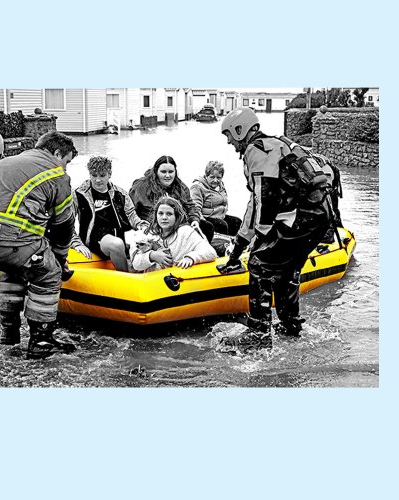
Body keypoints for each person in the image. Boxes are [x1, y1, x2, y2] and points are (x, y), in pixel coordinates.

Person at [217, 108, 331, 353]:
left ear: (241, 130)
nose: (229, 141)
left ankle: (258, 333)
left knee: (259, 264)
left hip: (301, 218)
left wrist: (260, 238)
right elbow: (255, 202)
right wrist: (237, 249)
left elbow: (264, 199)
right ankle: (291, 326)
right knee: (286, 268)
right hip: (318, 216)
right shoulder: (275, 144)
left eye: (229, 135)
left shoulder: (257, 150)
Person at [0, 131, 78, 359]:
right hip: (8, 240)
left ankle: (9, 334)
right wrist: (59, 258)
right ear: (57, 153)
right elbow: (64, 225)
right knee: (47, 272)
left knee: (13, 267)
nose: (66, 168)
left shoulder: (10, 162)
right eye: (67, 161)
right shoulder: (56, 175)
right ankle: (41, 341)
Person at [70, 156, 148, 272]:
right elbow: (66, 222)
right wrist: (76, 243)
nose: (97, 180)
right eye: (94, 175)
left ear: (109, 174)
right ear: (89, 174)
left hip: (121, 237)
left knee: (147, 241)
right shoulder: (79, 194)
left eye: (102, 176)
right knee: (116, 245)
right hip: (95, 240)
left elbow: (132, 215)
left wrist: (142, 225)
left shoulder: (120, 193)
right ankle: (127, 279)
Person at [129, 155, 212, 241]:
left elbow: (190, 206)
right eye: (163, 172)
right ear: (156, 171)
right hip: (153, 226)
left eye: (171, 172)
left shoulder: (180, 186)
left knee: (207, 227)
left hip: (177, 223)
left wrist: (194, 220)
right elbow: (130, 210)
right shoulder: (141, 186)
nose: (168, 175)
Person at [130, 196, 217, 273]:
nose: (164, 217)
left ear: (176, 216)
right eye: (160, 213)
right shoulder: (147, 234)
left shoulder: (186, 232)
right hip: (153, 283)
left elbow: (210, 252)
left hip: (178, 281)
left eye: (169, 214)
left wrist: (190, 258)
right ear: (156, 215)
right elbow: (136, 265)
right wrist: (152, 256)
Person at [189, 160, 242, 237]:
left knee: (237, 222)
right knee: (222, 225)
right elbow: (195, 209)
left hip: (220, 216)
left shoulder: (220, 185)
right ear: (206, 175)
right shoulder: (197, 187)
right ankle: (220, 245)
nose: (215, 180)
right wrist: (203, 223)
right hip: (205, 217)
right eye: (212, 177)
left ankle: (232, 244)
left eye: (218, 177)